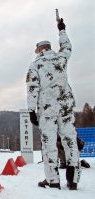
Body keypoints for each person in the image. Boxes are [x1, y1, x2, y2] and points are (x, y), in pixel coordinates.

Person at [26, 18, 81, 190]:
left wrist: (31, 111)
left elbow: (32, 89)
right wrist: (62, 29)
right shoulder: (61, 58)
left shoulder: (35, 65)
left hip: (47, 111)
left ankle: (53, 180)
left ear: (40, 49)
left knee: (49, 145)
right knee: (70, 141)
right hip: (65, 108)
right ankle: (73, 180)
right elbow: (67, 47)